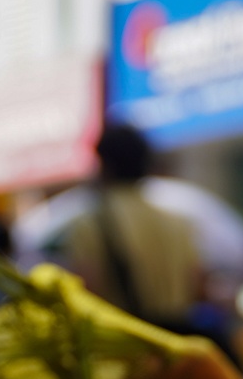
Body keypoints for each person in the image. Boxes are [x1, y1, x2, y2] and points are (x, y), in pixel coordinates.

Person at [60, 123, 205, 333]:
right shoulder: (178, 222)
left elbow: (87, 292)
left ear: (104, 165)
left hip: (124, 345)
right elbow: (197, 286)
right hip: (176, 344)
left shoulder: (89, 224)